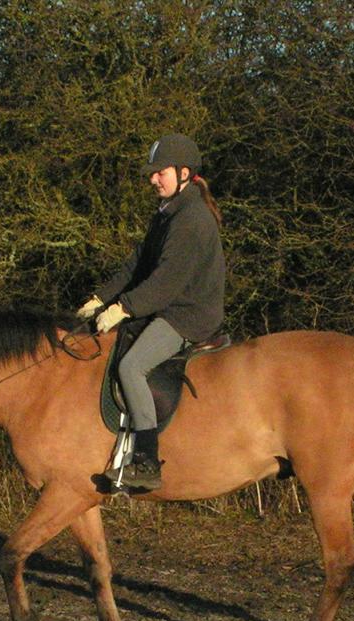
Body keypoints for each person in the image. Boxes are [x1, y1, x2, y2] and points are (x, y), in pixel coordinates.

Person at [78, 133, 225, 491]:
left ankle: (145, 462)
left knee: (132, 366)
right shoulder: (169, 212)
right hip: (171, 305)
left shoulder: (191, 219)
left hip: (188, 315)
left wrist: (123, 308)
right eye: (153, 172)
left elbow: (165, 283)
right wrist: (101, 298)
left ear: (185, 173)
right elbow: (136, 264)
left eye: (161, 172)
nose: (153, 179)